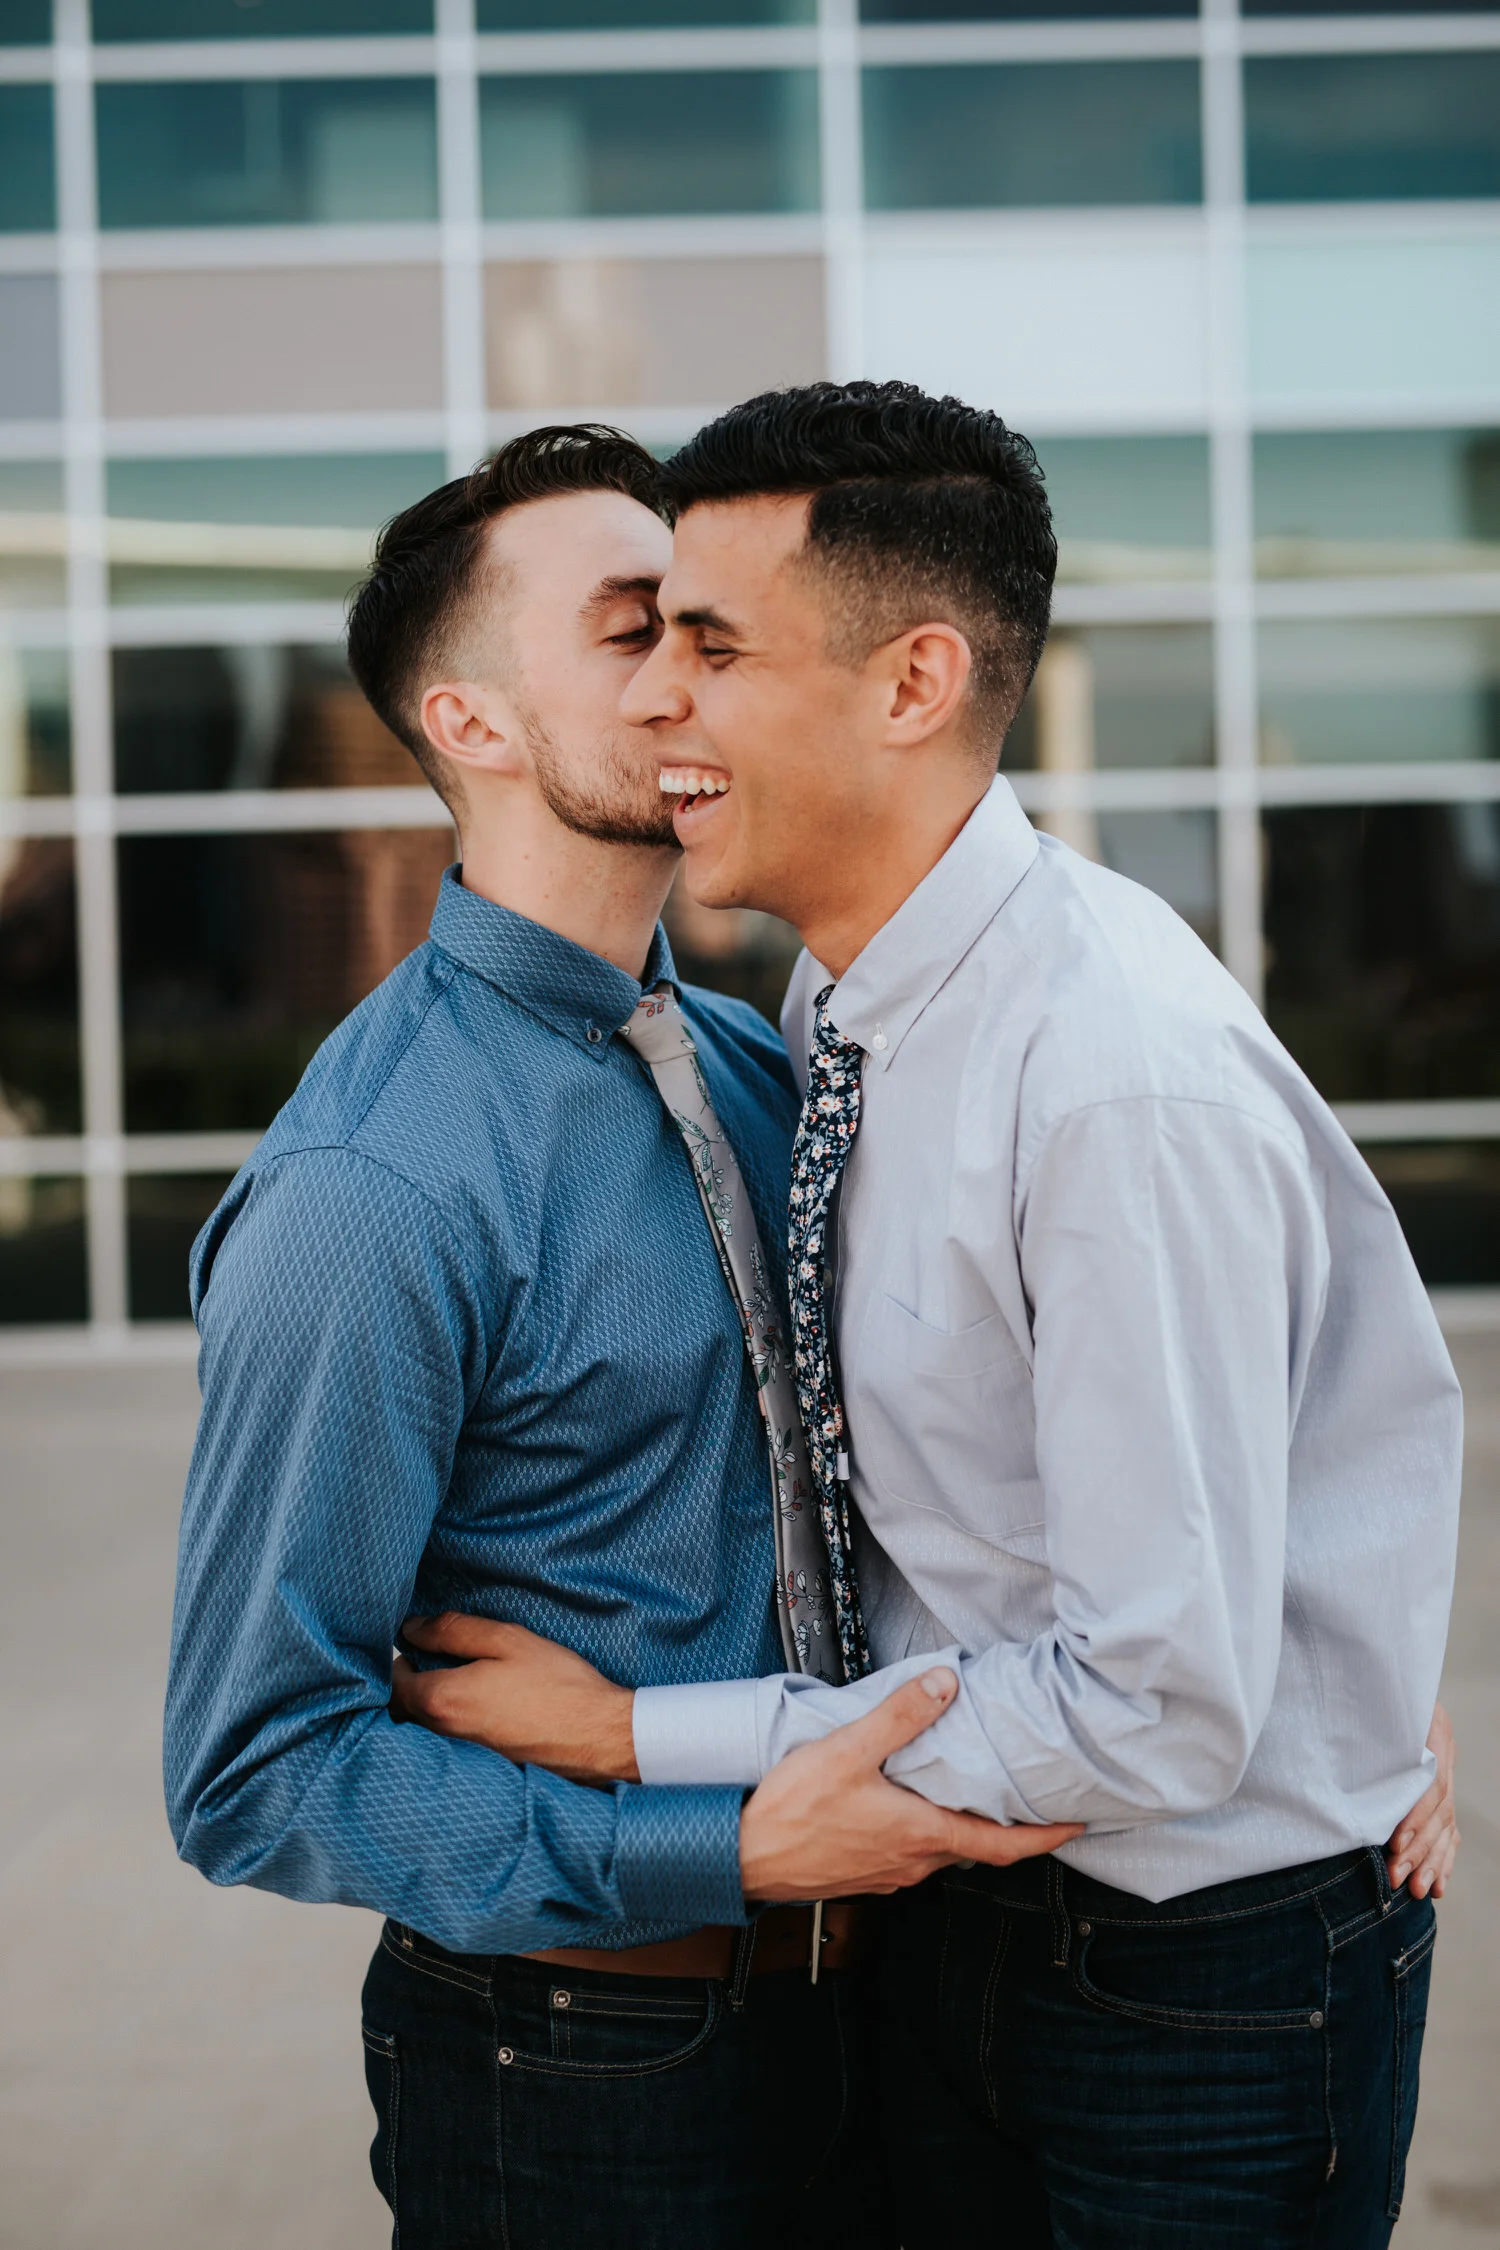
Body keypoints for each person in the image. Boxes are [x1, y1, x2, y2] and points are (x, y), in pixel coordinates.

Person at [394, 383, 1464, 2248]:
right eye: (649, 644)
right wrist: (1333, 1631)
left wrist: (653, 1742)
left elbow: (1160, 1703)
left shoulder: (1112, 1076)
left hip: (1195, 1975)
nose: (668, 706)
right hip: (949, 1927)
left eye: (713, 650)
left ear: (912, 682)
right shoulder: (831, 1014)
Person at [161, 423, 1077, 2250]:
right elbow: (253, 1765)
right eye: (632, 632)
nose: (697, 678)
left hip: (886, 2007)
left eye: (711, 631)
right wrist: (717, 1849)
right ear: (474, 724)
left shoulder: (765, 1064)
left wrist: (1333, 1681)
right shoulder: (375, 1187)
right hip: (584, 2066)